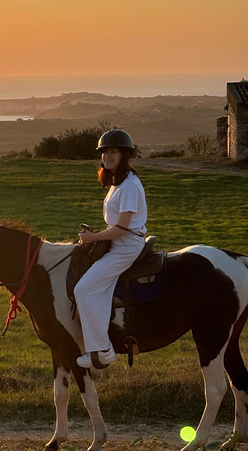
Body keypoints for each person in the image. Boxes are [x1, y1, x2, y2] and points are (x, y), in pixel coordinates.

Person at [74, 129, 147, 369]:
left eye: (113, 151)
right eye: (104, 152)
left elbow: (121, 229)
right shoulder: (118, 182)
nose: (107, 156)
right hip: (117, 243)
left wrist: (93, 238)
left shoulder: (129, 186)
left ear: (124, 155)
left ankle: (102, 350)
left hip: (125, 246)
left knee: (84, 289)